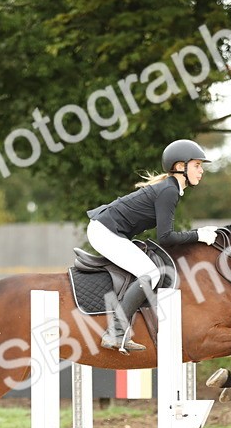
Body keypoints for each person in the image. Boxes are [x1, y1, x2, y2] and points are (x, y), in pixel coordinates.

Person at [85, 139, 220, 353]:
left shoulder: (170, 188)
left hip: (108, 229)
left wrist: (198, 235)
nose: (201, 170)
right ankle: (115, 332)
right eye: (197, 165)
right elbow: (165, 237)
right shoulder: (169, 191)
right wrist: (199, 235)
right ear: (180, 166)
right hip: (104, 231)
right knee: (151, 273)